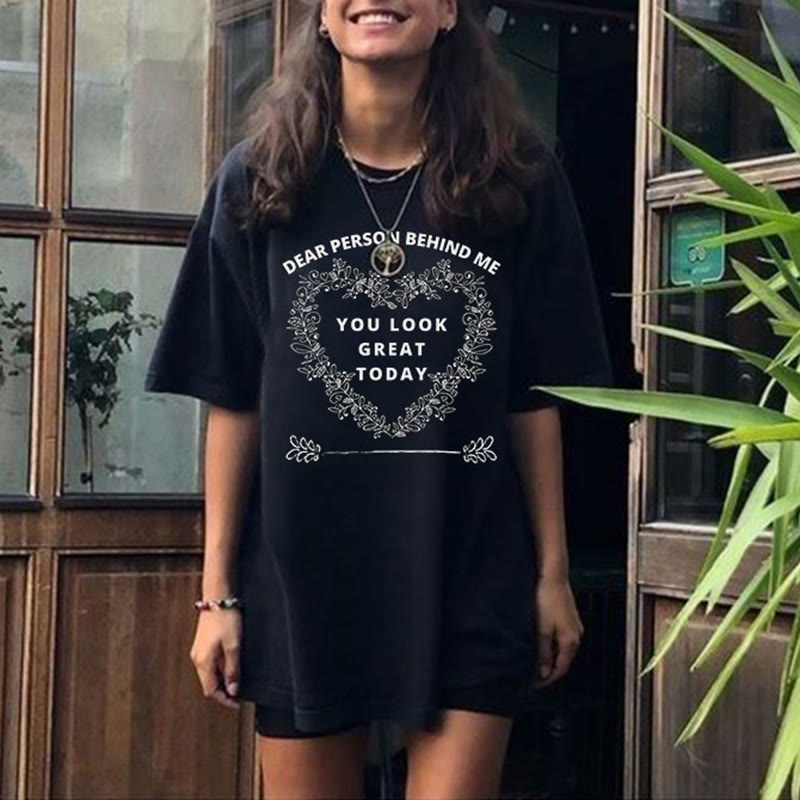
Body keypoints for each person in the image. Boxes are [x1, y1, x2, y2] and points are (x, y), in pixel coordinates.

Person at [144, 0, 615, 797]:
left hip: (470, 570)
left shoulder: (516, 177)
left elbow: (533, 397)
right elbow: (233, 397)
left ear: (447, 12)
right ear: (323, 19)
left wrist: (552, 573)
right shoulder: (260, 179)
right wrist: (216, 594)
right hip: (303, 577)